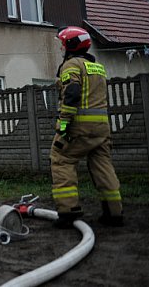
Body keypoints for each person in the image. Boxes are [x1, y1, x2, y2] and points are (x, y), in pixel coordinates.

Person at [50, 26, 123, 228]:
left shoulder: (72, 65)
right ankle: (114, 212)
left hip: (79, 128)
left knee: (61, 159)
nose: (62, 48)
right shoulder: (97, 67)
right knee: (102, 166)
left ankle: (68, 211)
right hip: (101, 129)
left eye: (63, 44)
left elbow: (72, 95)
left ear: (71, 45)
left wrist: (63, 124)